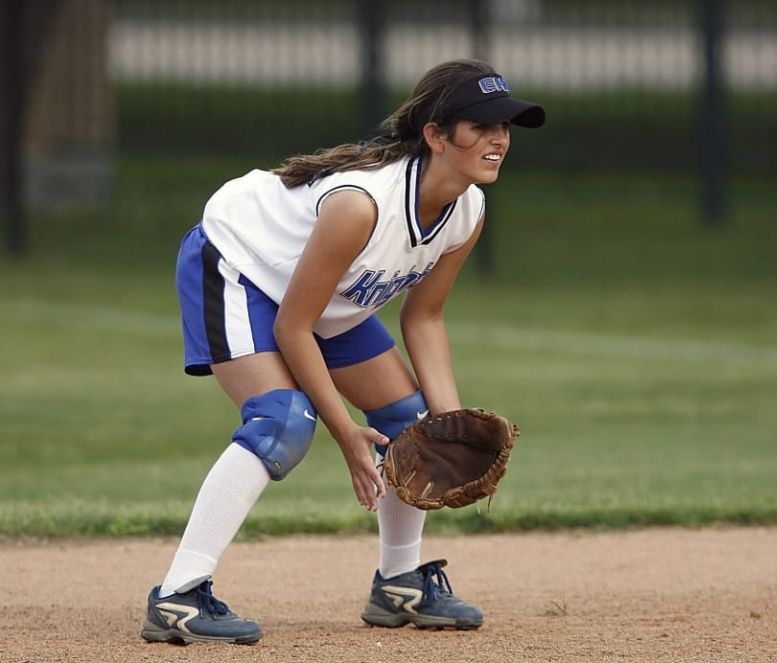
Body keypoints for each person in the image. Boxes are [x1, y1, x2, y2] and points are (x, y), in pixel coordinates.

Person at [139, 58, 545, 645]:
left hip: (324, 297)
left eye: (505, 126)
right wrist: (345, 433)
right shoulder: (362, 204)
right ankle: (178, 596)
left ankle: (399, 584)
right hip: (241, 266)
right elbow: (293, 328)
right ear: (435, 135)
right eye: (481, 125)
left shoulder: (468, 211)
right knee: (282, 421)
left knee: (411, 423)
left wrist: (448, 420)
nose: (499, 139)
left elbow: (424, 316)